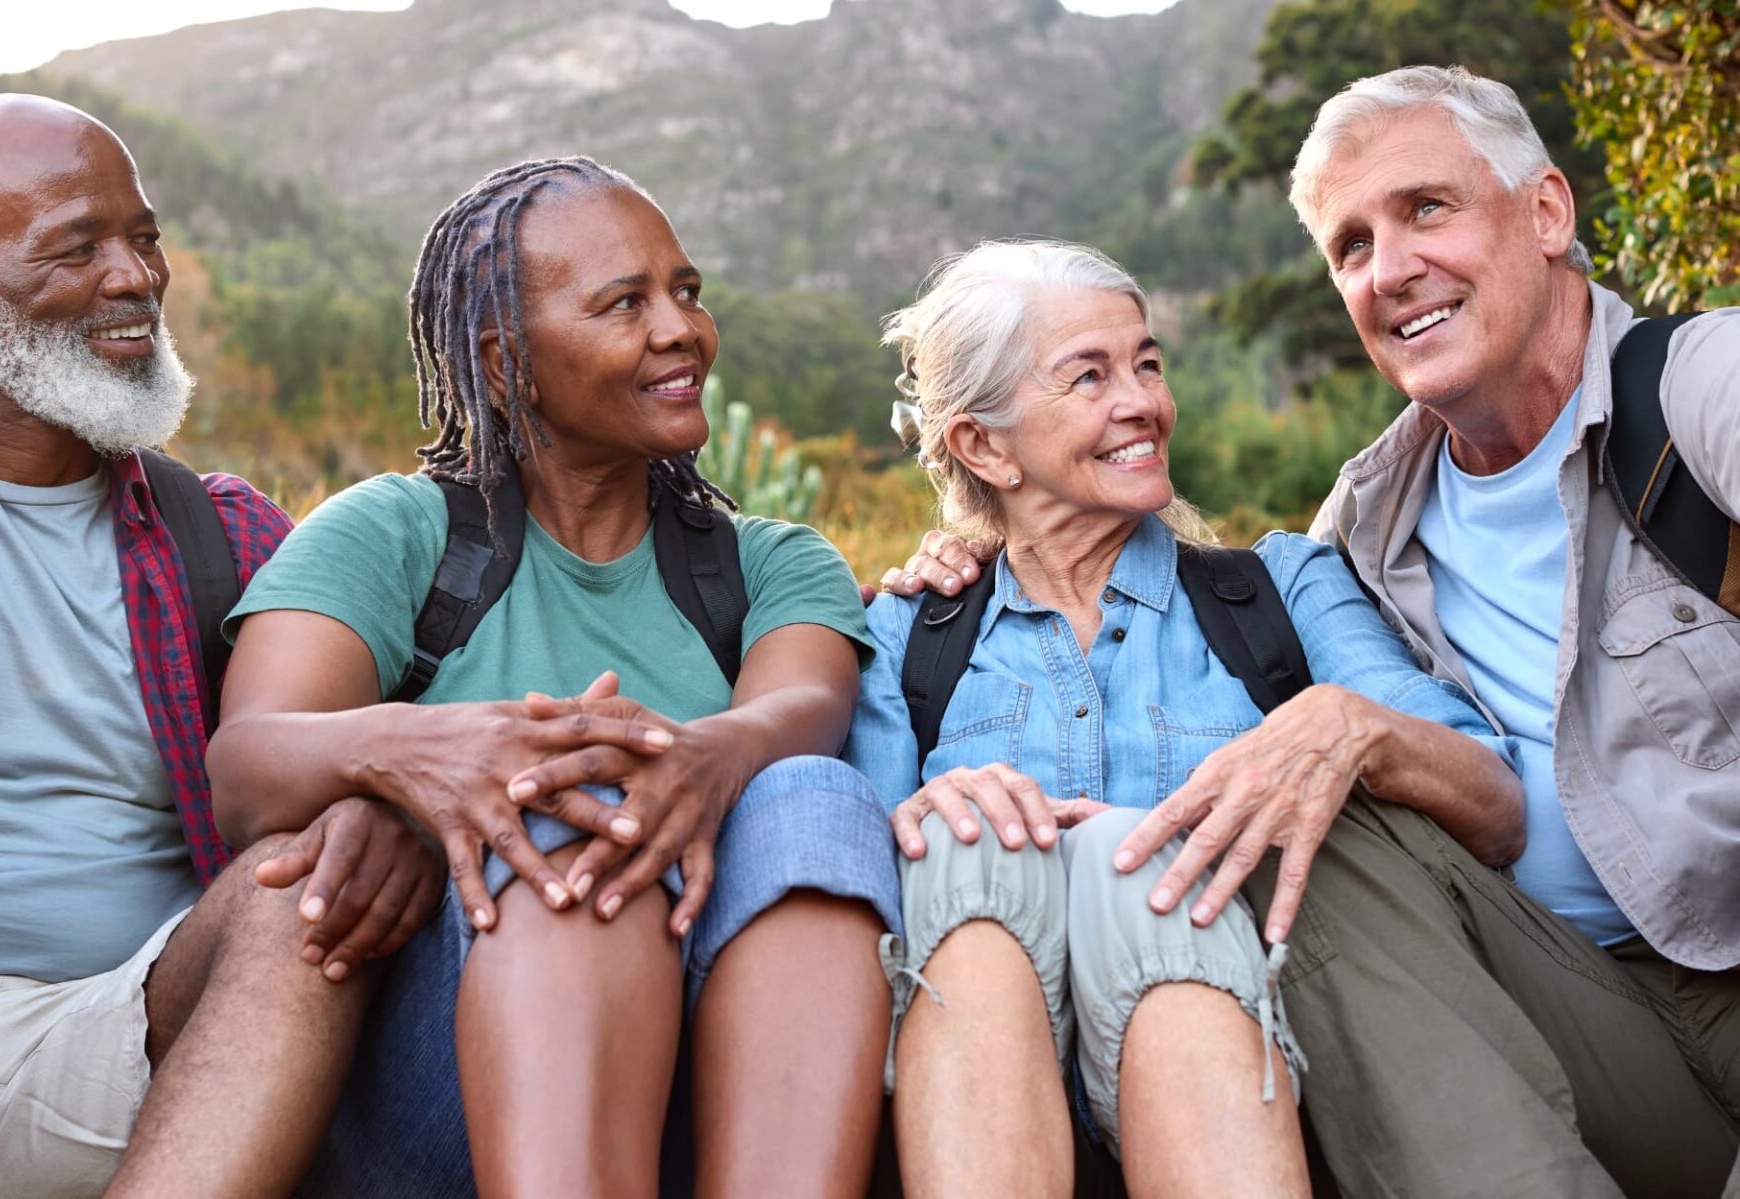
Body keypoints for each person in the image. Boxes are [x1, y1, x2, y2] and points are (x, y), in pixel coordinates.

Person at [883, 66, 1740, 1198]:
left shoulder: (1702, 388)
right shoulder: (1369, 518)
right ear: (983, 447)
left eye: (1426, 208)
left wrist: (1347, 727)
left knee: (1312, 798)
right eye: (1350, 246)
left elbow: (1475, 789)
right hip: (1561, 994)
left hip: (1709, 988)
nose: (1391, 270)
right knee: (1274, 813)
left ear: (1545, 213)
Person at [208, 156, 902, 1198]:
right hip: (446, 1090)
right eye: (626, 303)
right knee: (566, 812)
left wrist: (711, 754)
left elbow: (803, 703)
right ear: (504, 363)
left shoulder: (772, 561)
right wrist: (428, 754)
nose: (681, 330)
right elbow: (248, 762)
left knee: (815, 792)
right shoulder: (393, 534)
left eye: (687, 292)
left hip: (719, 1103)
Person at [0, 94, 430, 1199]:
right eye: (77, 246)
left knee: (303, 886)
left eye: (143, 238)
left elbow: (389, 718)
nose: (135, 277)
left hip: (132, 1057)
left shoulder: (232, 535)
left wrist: (381, 804)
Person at [845, 238, 1524, 1199]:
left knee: (1140, 871)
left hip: (1250, 1091)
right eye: (1088, 376)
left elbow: (1496, 802)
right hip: (979, 1103)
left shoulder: (1284, 590)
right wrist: (926, 817)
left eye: (1147, 364)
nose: (1142, 403)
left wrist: (1349, 727)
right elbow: (861, 924)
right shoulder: (904, 633)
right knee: (961, 839)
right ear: (983, 446)